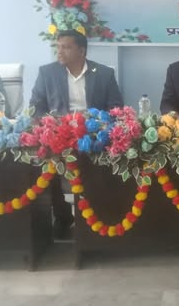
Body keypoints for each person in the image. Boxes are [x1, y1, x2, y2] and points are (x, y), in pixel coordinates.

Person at [29, 29, 123, 238]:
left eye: (66, 47)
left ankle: (99, 215)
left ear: (81, 51)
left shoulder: (104, 73)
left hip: (93, 133)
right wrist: (53, 124)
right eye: (58, 46)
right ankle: (63, 216)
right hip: (58, 134)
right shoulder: (47, 73)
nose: (59, 51)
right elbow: (35, 108)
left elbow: (116, 107)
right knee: (45, 161)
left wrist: (96, 125)